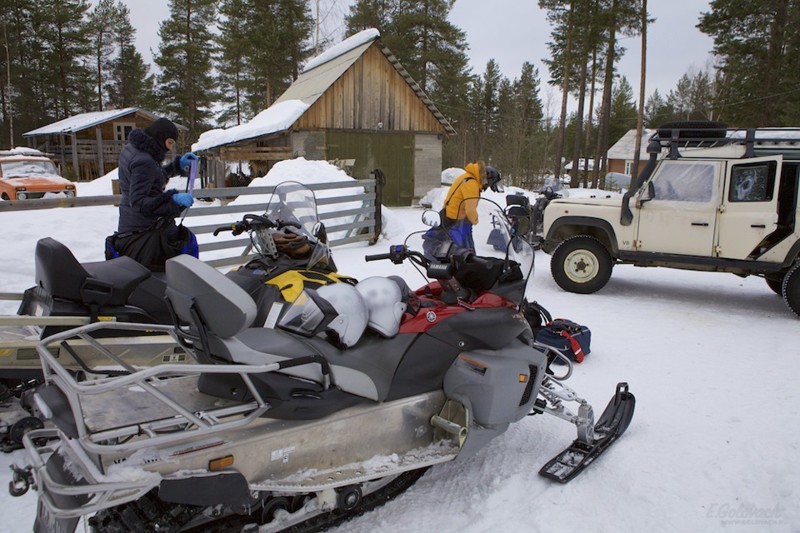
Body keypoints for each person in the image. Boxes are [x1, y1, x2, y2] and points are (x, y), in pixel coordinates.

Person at [108, 117, 199, 270]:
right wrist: (173, 201)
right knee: (174, 269)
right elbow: (139, 203)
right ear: (159, 137)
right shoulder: (144, 160)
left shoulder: (133, 149)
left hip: (130, 226)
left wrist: (176, 166)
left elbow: (151, 179)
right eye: (169, 142)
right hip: (144, 233)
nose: (170, 148)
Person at [439, 160, 502, 250]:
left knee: (458, 248)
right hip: (457, 221)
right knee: (465, 251)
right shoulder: (472, 184)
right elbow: (470, 210)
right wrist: (475, 220)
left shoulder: (466, 177)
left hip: (449, 216)